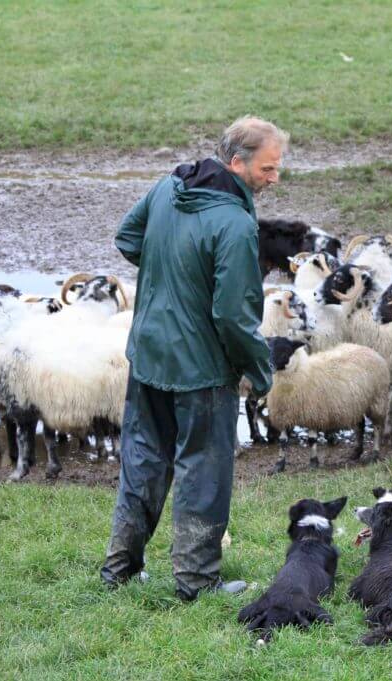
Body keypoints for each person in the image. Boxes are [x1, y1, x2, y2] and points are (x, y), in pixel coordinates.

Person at [100, 116, 284, 601]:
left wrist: (172, 272)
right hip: (201, 371)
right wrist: (259, 371)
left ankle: (119, 568)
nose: (274, 178)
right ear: (236, 162)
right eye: (267, 168)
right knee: (204, 469)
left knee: (142, 459)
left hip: (147, 354)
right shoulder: (236, 224)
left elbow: (128, 238)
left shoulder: (167, 187)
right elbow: (233, 314)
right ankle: (197, 582)